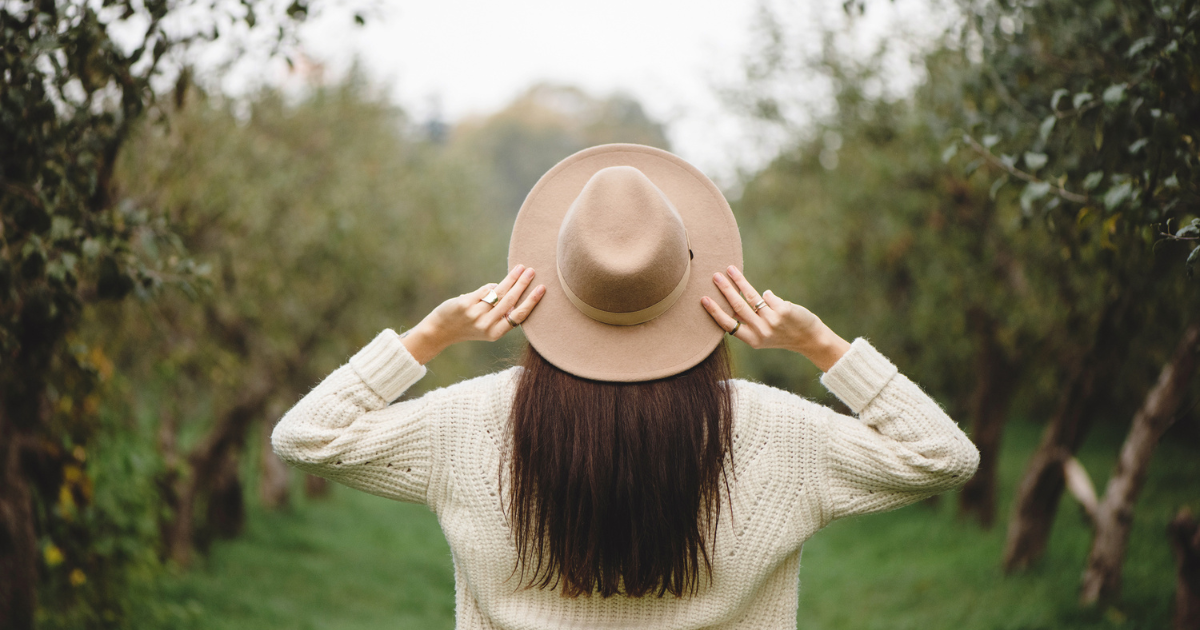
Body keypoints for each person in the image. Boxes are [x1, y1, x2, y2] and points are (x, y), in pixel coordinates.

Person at [272, 144, 979, 629]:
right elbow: (943, 456)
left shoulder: (470, 422)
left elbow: (306, 436)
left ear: (552, 291)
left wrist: (429, 335)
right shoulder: (776, 432)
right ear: (695, 288)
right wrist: (820, 344)